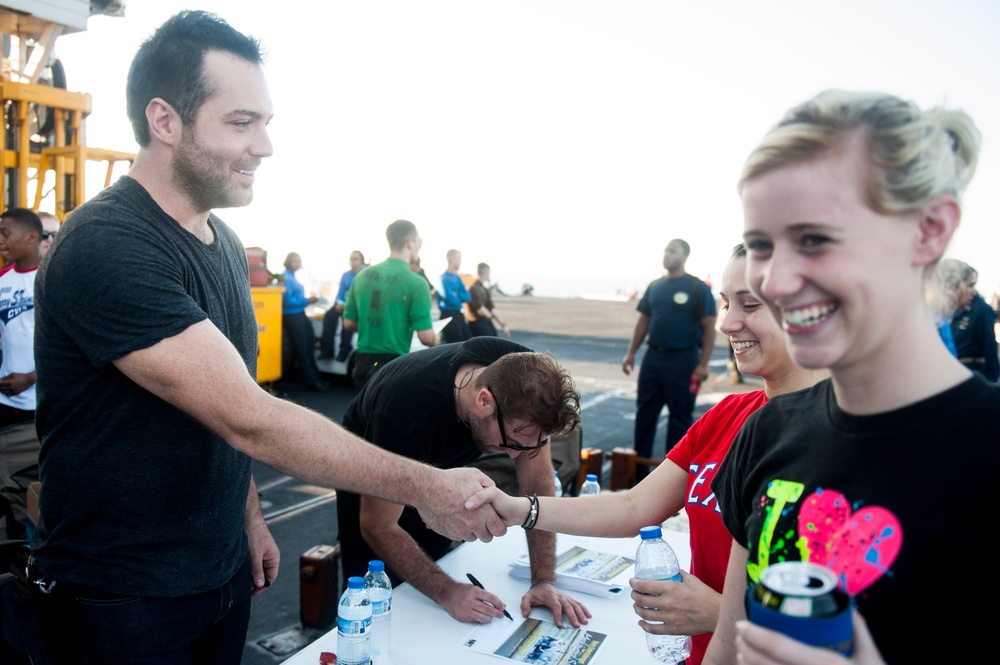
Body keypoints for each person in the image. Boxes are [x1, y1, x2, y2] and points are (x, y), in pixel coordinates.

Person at [30, 12, 505, 663]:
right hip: (124, 595)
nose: (265, 146)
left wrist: (249, 518)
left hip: (219, 572)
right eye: (240, 122)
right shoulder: (107, 245)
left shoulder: (222, 241)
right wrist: (429, 486)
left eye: (266, 122)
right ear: (164, 121)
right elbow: (251, 418)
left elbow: (227, 401)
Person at [700, 90, 998, 664]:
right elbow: (728, 645)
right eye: (762, 245)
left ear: (930, 229)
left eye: (814, 239)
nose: (777, 281)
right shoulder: (769, 433)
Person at [467, 244, 827, 664]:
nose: (728, 323)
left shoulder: (848, 441)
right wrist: (517, 509)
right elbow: (635, 505)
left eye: (750, 304)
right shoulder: (728, 414)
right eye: (727, 303)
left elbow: (865, 626)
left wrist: (718, 613)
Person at [338, 336, 591, 627]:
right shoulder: (407, 410)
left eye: (528, 445)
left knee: (434, 591)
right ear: (484, 401)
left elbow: (538, 482)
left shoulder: (527, 380)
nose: (513, 455)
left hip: (442, 461)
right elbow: (378, 525)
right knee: (377, 601)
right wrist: (446, 592)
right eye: (512, 442)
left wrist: (543, 580)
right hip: (374, 466)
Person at [622, 239, 716, 478]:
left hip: (683, 360)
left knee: (679, 418)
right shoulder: (656, 286)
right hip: (653, 358)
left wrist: (703, 364)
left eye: (672, 251)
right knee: (645, 413)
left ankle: (670, 478)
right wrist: (631, 353)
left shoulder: (697, 288)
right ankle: (638, 474)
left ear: (685, 256)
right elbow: (644, 320)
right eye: (665, 250)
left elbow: (709, 326)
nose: (667, 255)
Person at [343, 219, 437, 391]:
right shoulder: (417, 283)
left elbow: (348, 323)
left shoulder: (362, 276)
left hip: (363, 360)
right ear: (410, 243)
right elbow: (425, 337)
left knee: (363, 416)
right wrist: (435, 338)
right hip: (394, 364)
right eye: (418, 242)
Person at [0, 208, 42, 541]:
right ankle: (19, 544)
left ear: (31, 237)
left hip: (41, 402)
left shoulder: (52, 278)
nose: (0, 241)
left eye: (5, 233)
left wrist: (31, 377)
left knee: (40, 482)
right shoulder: (2, 280)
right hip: (7, 402)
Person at [945, 259, 999, 381]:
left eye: (973, 285)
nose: (974, 292)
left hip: (971, 375)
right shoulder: (943, 314)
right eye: (970, 285)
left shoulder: (981, 310)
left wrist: (991, 384)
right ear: (952, 286)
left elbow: (990, 349)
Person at [281, 251, 327, 391]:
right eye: (295, 261)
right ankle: (311, 381)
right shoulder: (285, 278)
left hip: (300, 313)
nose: (298, 264)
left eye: (299, 261)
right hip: (292, 315)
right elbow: (287, 301)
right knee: (302, 347)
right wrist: (307, 300)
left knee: (309, 345)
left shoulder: (293, 277)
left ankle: (314, 378)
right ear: (288, 261)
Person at [319, 249, 365, 361]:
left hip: (356, 306)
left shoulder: (365, 275)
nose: (353, 262)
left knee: (348, 320)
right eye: (351, 259)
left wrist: (348, 306)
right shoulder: (346, 275)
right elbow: (340, 293)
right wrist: (339, 304)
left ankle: (344, 350)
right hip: (344, 304)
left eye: (355, 259)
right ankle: (327, 350)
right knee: (329, 316)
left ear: (361, 261)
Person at [436, 248, 473, 344]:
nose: (460, 262)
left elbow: (468, 297)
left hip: (458, 315)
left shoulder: (458, 278)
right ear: (452, 260)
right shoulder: (443, 279)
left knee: (467, 341)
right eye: (459, 259)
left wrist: (456, 293)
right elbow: (452, 300)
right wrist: (459, 295)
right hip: (448, 315)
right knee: (455, 345)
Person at [467, 262, 511, 339]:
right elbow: (480, 310)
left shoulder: (483, 289)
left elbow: (492, 308)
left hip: (485, 324)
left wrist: (504, 325)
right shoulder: (474, 288)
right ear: (486, 272)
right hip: (477, 325)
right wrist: (492, 317)